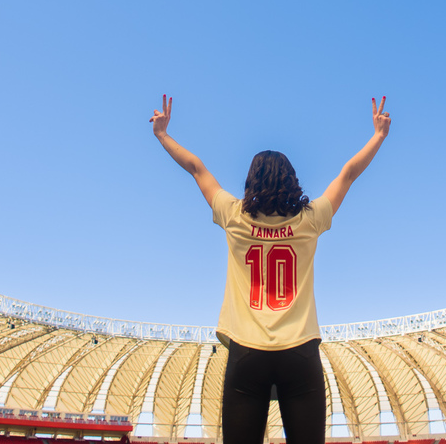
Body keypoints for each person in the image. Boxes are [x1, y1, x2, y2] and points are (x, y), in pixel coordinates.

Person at [150, 94, 392, 444]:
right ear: (292, 180)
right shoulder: (310, 220)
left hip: (247, 352)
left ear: (250, 180)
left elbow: (196, 168)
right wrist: (378, 135)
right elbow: (349, 173)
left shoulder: (234, 216)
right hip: (300, 351)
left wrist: (162, 134)